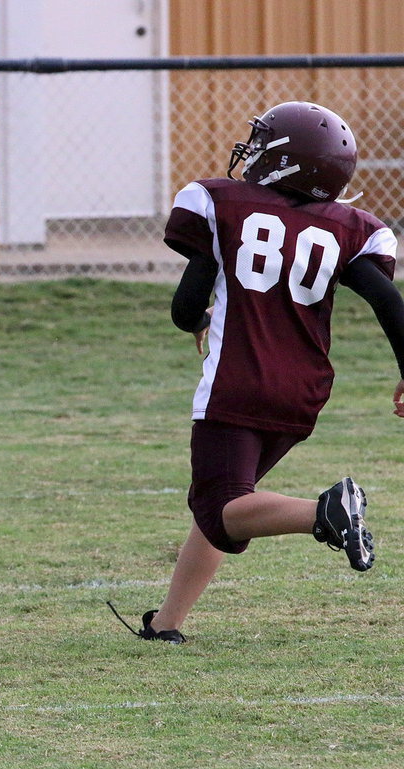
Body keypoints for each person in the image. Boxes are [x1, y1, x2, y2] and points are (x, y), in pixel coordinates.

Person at [133, 101, 404, 643]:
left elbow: (185, 308)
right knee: (232, 500)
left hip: (238, 381)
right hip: (303, 392)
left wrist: (200, 317)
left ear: (286, 159)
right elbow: (388, 302)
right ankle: (167, 624)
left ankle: (325, 512)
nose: (251, 152)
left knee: (221, 504)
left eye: (262, 142)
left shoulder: (223, 205)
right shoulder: (350, 228)